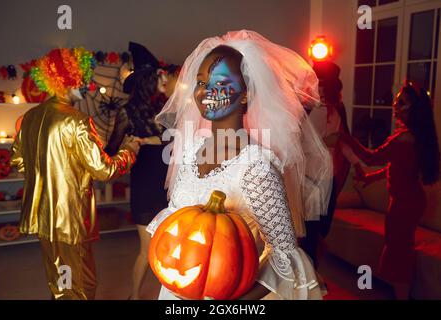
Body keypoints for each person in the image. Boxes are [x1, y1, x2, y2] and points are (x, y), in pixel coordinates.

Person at [147, 30, 333, 300]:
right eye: (201, 82)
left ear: (245, 94)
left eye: (219, 81)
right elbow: (174, 224)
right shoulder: (190, 151)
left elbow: (285, 260)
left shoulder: (255, 168)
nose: (205, 91)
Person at [10, 48, 141, 300]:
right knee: (82, 284)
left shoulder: (30, 117)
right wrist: (129, 150)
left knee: (58, 280)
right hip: (70, 216)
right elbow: (104, 170)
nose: (88, 86)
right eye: (82, 81)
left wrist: (50, 167)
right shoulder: (77, 121)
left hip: (43, 215)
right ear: (64, 81)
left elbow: (19, 161)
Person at [341, 82, 440, 300]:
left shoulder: (403, 138)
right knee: (400, 249)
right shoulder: (412, 136)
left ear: (414, 109)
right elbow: (395, 166)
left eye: (401, 102)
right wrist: (371, 177)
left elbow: (371, 157)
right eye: (397, 100)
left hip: (405, 204)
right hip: (409, 201)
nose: (395, 105)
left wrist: (346, 137)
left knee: (399, 252)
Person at [104, 42, 179, 300]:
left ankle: (144, 297)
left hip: (162, 184)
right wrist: (138, 143)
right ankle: (138, 296)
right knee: (158, 248)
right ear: (150, 81)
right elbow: (114, 149)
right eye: (158, 77)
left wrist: (140, 142)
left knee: (157, 248)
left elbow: (110, 149)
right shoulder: (164, 111)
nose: (162, 80)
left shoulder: (163, 111)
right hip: (159, 184)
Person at [302, 61, 361, 270]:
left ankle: (312, 272)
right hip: (314, 178)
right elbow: (305, 143)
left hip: (325, 177)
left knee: (318, 229)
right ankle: (310, 275)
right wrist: (328, 141)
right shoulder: (315, 110)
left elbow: (341, 141)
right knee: (312, 229)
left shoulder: (334, 110)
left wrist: (356, 163)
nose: (318, 88)